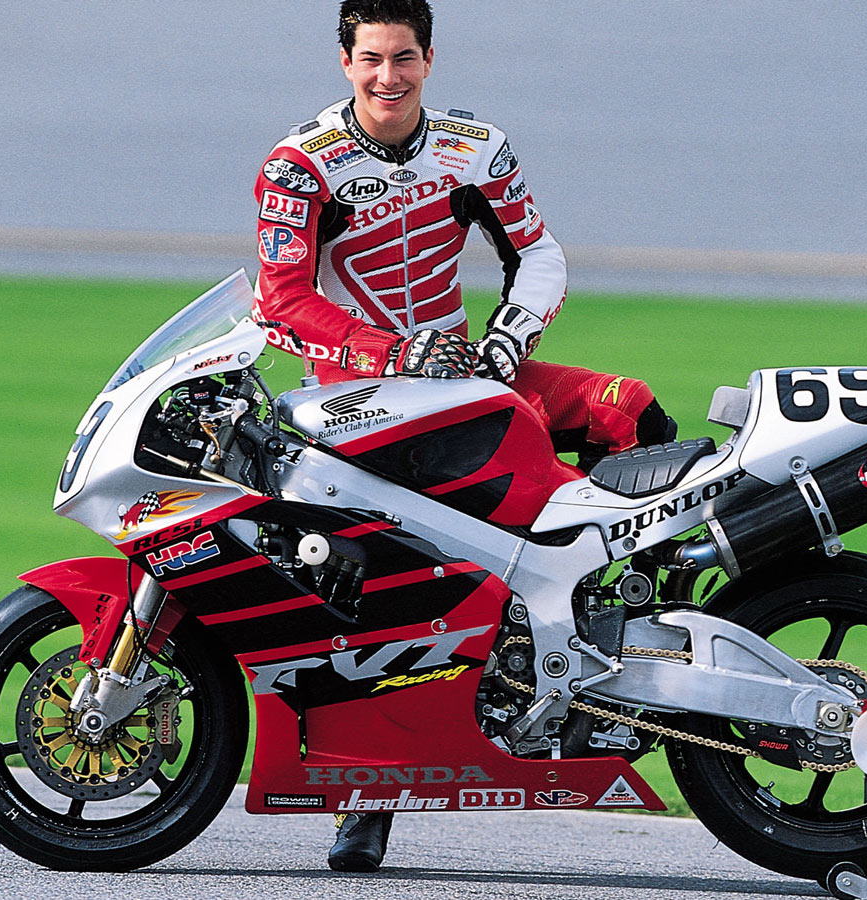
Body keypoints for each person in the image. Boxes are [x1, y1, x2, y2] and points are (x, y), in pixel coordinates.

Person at [252, 0, 675, 873]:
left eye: (404, 57)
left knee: (631, 412)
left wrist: (509, 337)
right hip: (358, 403)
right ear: (345, 62)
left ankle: (625, 635)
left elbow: (539, 253)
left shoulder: (473, 147)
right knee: (382, 574)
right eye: (373, 58)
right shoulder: (300, 165)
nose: (389, 77)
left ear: (430, 59)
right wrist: (393, 351)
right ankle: (368, 796)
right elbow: (281, 301)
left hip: (466, 378)